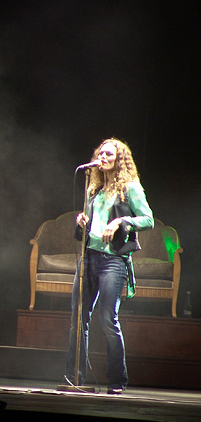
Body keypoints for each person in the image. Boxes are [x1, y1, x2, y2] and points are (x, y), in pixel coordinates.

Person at [65, 138, 153, 394]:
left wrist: (120, 222)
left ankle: (116, 381)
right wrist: (81, 220)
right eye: (100, 153)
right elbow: (89, 223)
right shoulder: (94, 189)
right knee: (78, 319)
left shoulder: (130, 188)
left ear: (119, 159)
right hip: (88, 257)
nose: (103, 157)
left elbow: (148, 219)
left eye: (109, 154)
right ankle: (74, 378)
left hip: (112, 261)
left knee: (107, 319)